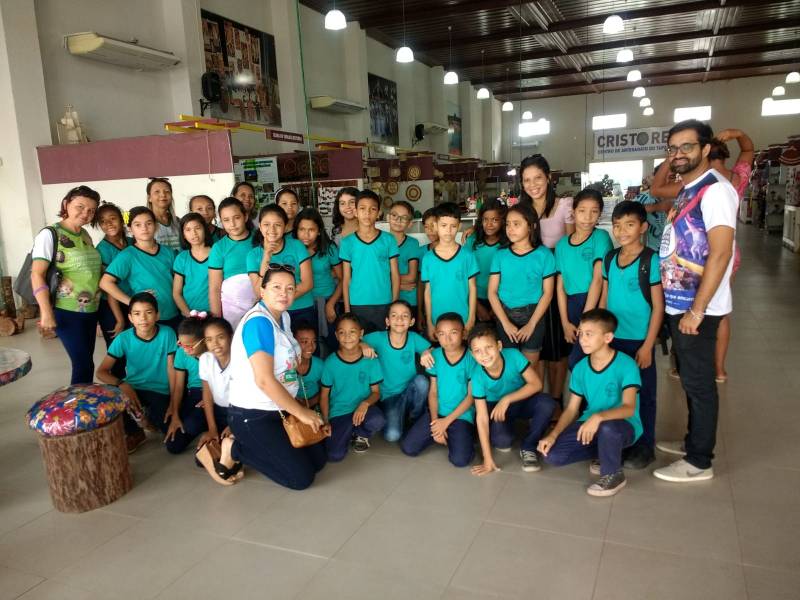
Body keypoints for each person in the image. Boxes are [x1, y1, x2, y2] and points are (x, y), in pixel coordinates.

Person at [653, 119, 737, 483]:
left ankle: (699, 460)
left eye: (687, 147)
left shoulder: (716, 190)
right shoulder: (690, 188)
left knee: (700, 384)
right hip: (679, 303)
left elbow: (720, 254)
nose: (678, 154)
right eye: (673, 148)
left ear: (705, 149)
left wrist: (697, 310)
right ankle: (692, 442)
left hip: (696, 308)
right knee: (690, 378)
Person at [218, 264, 328, 489]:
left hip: (279, 409)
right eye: (276, 287)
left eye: (290, 288)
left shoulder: (283, 317)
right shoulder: (259, 323)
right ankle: (235, 449)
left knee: (319, 460)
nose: (284, 293)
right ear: (262, 290)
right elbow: (264, 380)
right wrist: (303, 413)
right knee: (301, 479)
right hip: (253, 414)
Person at [538, 309, 642, 497]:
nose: (582, 339)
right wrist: (552, 435)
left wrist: (598, 417)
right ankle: (605, 452)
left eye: (589, 334)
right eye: (580, 334)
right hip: (590, 423)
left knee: (608, 429)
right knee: (553, 456)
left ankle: (613, 474)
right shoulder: (580, 368)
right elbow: (571, 409)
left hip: (623, 426)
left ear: (608, 337)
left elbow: (629, 408)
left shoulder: (626, 364)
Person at [600, 201, 663, 469]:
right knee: (618, 393)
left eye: (629, 224)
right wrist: (602, 335)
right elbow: (604, 297)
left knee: (643, 394)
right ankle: (621, 441)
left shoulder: (651, 260)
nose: (622, 231)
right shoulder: (610, 259)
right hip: (613, 340)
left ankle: (645, 445)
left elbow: (658, 306)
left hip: (639, 341)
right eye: (617, 225)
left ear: (642, 227)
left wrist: (648, 345)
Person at [30, 185, 102, 384]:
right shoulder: (50, 234)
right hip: (66, 310)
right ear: (66, 204)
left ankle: (84, 407)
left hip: (90, 309)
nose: (85, 213)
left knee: (87, 363)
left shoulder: (85, 235)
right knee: (83, 364)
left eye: (91, 210)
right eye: (80, 206)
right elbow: (37, 274)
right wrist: (46, 312)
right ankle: (78, 412)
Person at [518, 154, 575, 404]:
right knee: (536, 348)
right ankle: (538, 402)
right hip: (530, 282)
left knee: (557, 348)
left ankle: (555, 402)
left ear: (549, 178)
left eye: (538, 178)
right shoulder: (521, 210)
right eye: (527, 180)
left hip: (558, 278)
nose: (533, 184)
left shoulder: (564, 205)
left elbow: (573, 245)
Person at [468, 324, 556, 475]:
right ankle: (507, 427)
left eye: (488, 347)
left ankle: (529, 446)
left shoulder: (513, 355)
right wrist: (487, 459)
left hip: (519, 400)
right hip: (496, 408)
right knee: (502, 441)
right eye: (477, 351)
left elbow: (536, 384)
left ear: (499, 346)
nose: (484, 354)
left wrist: (507, 399)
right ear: (472, 355)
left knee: (546, 403)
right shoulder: (477, 376)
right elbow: (482, 417)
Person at [96, 292, 177, 453]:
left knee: (172, 439)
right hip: (133, 387)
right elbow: (101, 371)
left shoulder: (167, 333)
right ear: (130, 318)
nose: (143, 318)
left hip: (159, 390)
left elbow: (172, 370)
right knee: (116, 402)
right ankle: (135, 432)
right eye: (137, 314)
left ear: (157, 315)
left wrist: (174, 404)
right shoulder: (123, 338)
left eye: (148, 312)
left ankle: (148, 418)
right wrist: (122, 383)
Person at [706, 129, 754, 383]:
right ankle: (719, 369)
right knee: (720, 310)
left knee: (695, 308)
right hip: (730, 251)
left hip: (701, 252)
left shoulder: (701, 179)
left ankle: (690, 363)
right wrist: (738, 133)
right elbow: (748, 149)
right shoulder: (737, 178)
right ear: (725, 156)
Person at [400, 312, 477, 468]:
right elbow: (433, 392)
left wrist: (446, 422)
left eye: (453, 333)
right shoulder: (434, 355)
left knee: (460, 460)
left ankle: (464, 437)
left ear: (464, 334)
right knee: (409, 448)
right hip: (438, 412)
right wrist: (436, 423)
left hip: (461, 415)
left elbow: (471, 397)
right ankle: (445, 436)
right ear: (436, 335)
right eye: (442, 334)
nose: (447, 339)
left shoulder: (472, 358)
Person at [488, 203, 554, 370]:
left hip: (534, 315)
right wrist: (505, 323)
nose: (510, 229)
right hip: (505, 315)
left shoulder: (544, 255)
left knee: (530, 370)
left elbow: (547, 293)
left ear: (531, 226)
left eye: (516, 224)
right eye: (508, 224)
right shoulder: (500, 255)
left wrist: (531, 324)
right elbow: (492, 293)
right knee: (509, 368)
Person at [554, 188, 612, 370]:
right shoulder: (562, 245)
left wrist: (585, 320)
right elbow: (560, 286)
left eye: (594, 212)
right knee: (579, 360)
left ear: (600, 214)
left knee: (587, 359)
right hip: (572, 305)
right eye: (582, 211)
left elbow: (597, 281)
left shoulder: (600, 237)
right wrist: (565, 323)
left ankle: (592, 398)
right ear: (573, 212)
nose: (587, 217)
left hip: (594, 304)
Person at [100, 206, 181, 332]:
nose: (144, 228)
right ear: (130, 229)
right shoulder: (127, 256)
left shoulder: (169, 252)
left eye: (148, 223)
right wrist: (132, 301)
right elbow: (105, 283)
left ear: (156, 226)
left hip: (174, 313)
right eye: (138, 225)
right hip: (146, 320)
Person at [362, 300, 432, 442]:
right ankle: (399, 416)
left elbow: (432, 350)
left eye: (405, 316)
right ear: (387, 321)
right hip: (389, 396)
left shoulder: (413, 338)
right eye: (394, 316)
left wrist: (426, 351)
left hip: (410, 390)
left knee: (422, 382)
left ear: (411, 322)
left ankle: (415, 417)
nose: (399, 319)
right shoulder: (379, 337)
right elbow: (354, 339)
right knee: (392, 436)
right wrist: (362, 344)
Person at [320, 313, 385, 460]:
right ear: (336, 335)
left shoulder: (370, 360)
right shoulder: (330, 363)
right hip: (339, 413)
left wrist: (365, 403)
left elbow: (376, 392)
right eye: (342, 333)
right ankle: (349, 431)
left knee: (378, 419)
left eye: (352, 332)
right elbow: (324, 395)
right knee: (334, 456)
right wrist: (325, 421)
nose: (347, 336)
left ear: (361, 334)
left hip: (361, 410)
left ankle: (361, 434)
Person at [339, 190, 400, 333]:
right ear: (355, 212)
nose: (367, 213)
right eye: (362, 209)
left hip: (384, 302)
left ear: (378, 212)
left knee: (384, 344)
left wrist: (394, 305)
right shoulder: (347, 242)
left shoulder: (388, 239)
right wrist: (347, 309)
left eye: (372, 209)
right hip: (357, 303)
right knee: (361, 346)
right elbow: (346, 278)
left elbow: (395, 275)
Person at [247, 204, 314, 325]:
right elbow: (258, 292)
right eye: (266, 225)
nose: (272, 230)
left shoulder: (297, 246)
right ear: (260, 227)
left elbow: (307, 283)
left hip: (302, 309)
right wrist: (266, 257)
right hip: (272, 313)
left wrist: (281, 300)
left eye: (277, 225)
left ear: (285, 227)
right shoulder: (253, 255)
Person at [421, 202, 479, 339]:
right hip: (437, 321)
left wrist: (471, 319)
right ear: (435, 226)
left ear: (459, 226)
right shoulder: (428, 258)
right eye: (443, 226)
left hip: (462, 320)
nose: (448, 230)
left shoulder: (467, 256)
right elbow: (427, 292)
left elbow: (473, 289)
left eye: (453, 226)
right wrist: (429, 322)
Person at [294, 207, 342, 355]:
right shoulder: (291, 249)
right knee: (307, 348)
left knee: (333, 344)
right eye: (302, 229)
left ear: (319, 231)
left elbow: (342, 279)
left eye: (311, 230)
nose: (306, 235)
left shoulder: (329, 249)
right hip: (302, 305)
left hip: (326, 301)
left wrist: (331, 304)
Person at [93, 202, 131, 372]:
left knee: (135, 348)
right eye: (102, 221)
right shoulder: (102, 250)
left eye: (112, 218)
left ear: (122, 219)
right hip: (111, 305)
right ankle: (118, 390)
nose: (108, 224)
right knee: (117, 351)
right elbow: (108, 287)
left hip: (132, 302)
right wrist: (119, 318)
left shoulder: (132, 242)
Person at [164, 316, 209, 454]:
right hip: (194, 394)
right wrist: (176, 414)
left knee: (192, 425)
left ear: (204, 340)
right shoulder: (181, 353)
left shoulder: (214, 352)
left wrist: (211, 398)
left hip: (216, 394)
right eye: (181, 344)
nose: (185, 350)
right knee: (173, 445)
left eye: (190, 346)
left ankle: (212, 428)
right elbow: (178, 387)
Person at [207, 197, 254, 329]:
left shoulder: (260, 240)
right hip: (232, 310)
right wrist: (217, 321)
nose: (232, 224)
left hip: (260, 304)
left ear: (245, 216)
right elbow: (215, 287)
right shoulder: (219, 248)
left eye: (236, 217)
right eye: (226, 220)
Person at [464, 199, 507, 323]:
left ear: (503, 221)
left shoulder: (508, 244)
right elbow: (464, 275)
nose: (489, 224)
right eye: (485, 219)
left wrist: (497, 306)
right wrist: (477, 306)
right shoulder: (472, 241)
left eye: (495, 220)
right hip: (475, 297)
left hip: (501, 299)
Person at [195, 317, 234, 451]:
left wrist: (234, 425)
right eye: (209, 339)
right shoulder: (205, 359)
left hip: (240, 412)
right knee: (202, 455)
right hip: (219, 410)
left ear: (231, 336)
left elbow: (248, 397)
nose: (215, 344)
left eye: (220, 337)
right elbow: (207, 393)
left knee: (230, 444)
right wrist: (212, 429)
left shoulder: (241, 359)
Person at [172, 212, 211, 315]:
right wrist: (189, 315)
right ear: (183, 235)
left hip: (214, 312)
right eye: (188, 230)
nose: (194, 233)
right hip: (190, 313)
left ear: (205, 230)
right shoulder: (182, 258)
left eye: (197, 228)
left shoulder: (216, 253)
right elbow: (177, 293)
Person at [387, 201, 421, 312]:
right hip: (385, 298)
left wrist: (386, 281)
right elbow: (374, 277)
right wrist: (399, 286)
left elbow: (412, 277)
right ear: (388, 217)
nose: (398, 220)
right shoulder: (380, 242)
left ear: (410, 223)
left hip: (409, 300)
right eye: (394, 215)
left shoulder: (412, 243)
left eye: (404, 217)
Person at [416, 207, 439, 329]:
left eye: (433, 225)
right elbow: (420, 284)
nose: (430, 230)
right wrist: (419, 311)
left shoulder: (456, 251)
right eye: (426, 226)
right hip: (428, 308)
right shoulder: (422, 252)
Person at [146, 178, 181, 251]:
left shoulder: (178, 222)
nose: (163, 195)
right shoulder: (145, 223)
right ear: (149, 198)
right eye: (157, 192)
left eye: (167, 191)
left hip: (178, 262)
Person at [294, 323, 324, 407]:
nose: (310, 346)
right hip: (291, 407)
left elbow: (326, 390)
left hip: (315, 405)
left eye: (313, 341)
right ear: (292, 341)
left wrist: (310, 402)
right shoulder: (285, 367)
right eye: (304, 341)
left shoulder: (319, 365)